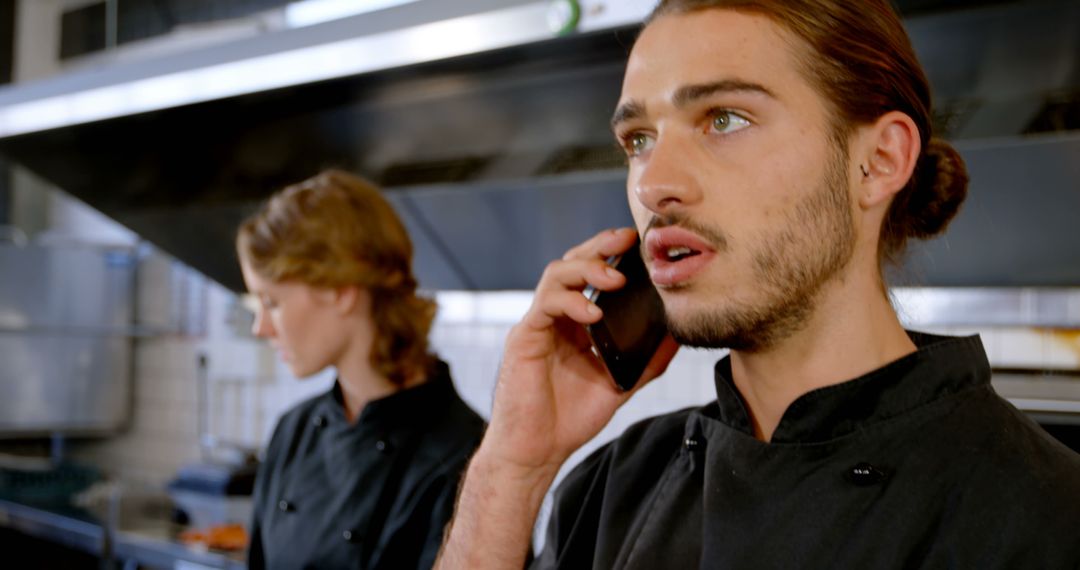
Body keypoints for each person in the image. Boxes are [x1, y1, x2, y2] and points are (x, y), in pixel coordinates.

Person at [435, 0, 1080, 568]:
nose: (653, 184)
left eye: (724, 119)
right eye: (638, 139)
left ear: (879, 161)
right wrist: (514, 467)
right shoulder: (615, 488)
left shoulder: (1043, 517)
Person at [237, 169, 486, 569]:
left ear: (340, 290)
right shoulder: (294, 432)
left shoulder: (466, 455)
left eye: (274, 302)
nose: (261, 327)